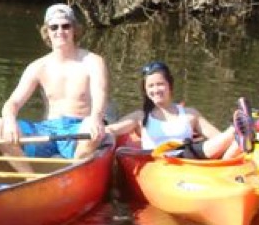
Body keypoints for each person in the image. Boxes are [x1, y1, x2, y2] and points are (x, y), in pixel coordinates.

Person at [0, 4, 108, 160]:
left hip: (79, 128)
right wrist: (10, 121)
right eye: (54, 27)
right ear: (47, 32)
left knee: (92, 127)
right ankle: (29, 177)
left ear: (74, 29)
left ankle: (74, 170)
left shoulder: (93, 61)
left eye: (66, 26)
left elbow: (101, 94)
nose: (60, 32)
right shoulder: (38, 66)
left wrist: (96, 118)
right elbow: (13, 102)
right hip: (47, 130)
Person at [106, 61, 249, 158]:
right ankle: (238, 129)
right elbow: (112, 129)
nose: (156, 90)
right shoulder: (140, 117)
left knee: (227, 140)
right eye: (151, 86)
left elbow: (217, 138)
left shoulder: (189, 114)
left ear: (170, 85)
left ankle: (239, 131)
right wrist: (95, 129)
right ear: (145, 90)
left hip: (188, 159)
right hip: (158, 163)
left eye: (160, 84)